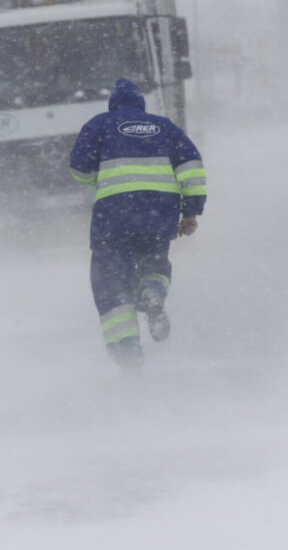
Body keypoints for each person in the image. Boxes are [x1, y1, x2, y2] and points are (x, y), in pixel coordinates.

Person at [68, 78, 205, 368]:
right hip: (158, 216)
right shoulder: (165, 126)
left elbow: (79, 167)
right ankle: (153, 290)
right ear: (141, 104)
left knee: (110, 283)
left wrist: (98, 179)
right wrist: (190, 212)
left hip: (113, 218)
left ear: (113, 105)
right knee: (155, 262)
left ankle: (127, 351)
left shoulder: (100, 124)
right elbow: (191, 165)